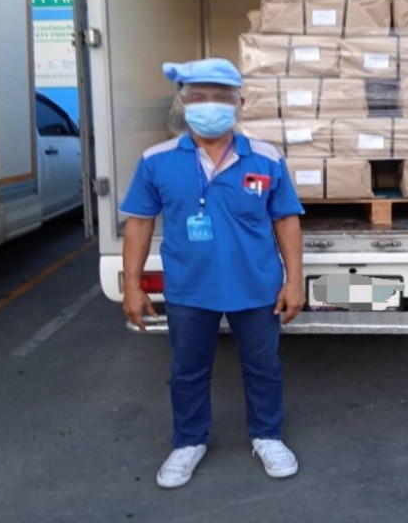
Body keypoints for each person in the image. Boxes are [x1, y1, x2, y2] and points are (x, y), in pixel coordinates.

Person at [119, 58, 306, 488]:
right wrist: (132, 286)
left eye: (221, 97)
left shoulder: (266, 158)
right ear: (181, 103)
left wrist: (294, 280)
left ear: (240, 103)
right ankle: (189, 441)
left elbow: (286, 219)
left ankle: (267, 435)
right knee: (188, 368)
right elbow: (139, 223)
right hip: (189, 288)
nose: (210, 105)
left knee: (263, 366)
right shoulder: (156, 160)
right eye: (198, 96)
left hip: (256, 286)